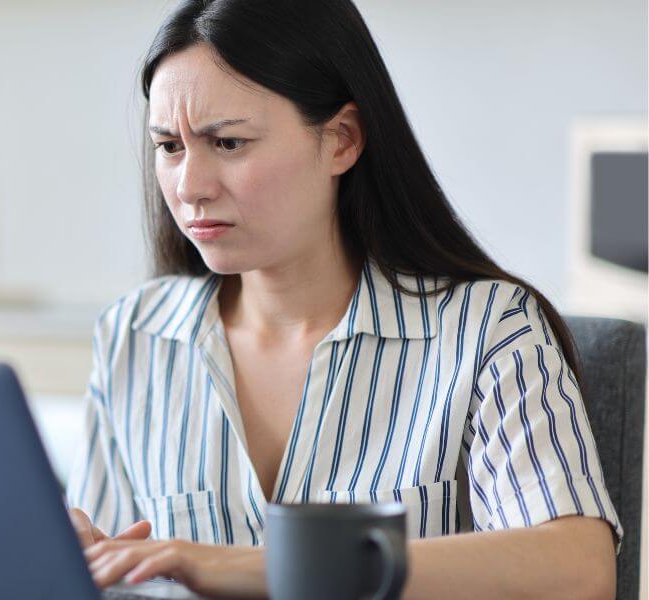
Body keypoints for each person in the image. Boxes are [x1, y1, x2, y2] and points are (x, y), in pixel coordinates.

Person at [65, 0, 622, 597]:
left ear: (342, 140)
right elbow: (100, 578)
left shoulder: (487, 327)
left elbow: (578, 571)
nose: (189, 187)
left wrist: (249, 568)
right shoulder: (133, 333)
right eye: (169, 146)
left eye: (228, 143)